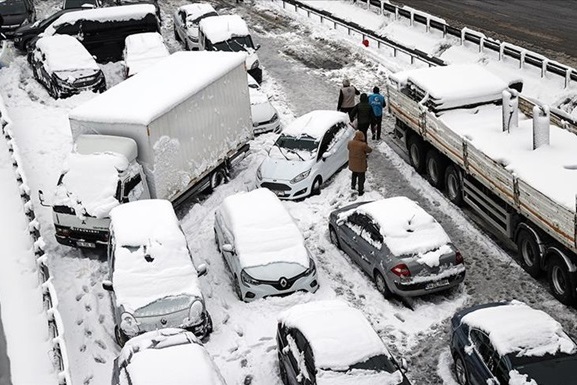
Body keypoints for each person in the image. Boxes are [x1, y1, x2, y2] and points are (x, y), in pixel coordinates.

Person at [347, 131, 372, 196]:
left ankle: (353, 186)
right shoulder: (363, 145)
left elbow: (348, 148)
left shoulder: (350, 143)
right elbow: (369, 150)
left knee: (354, 175)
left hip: (353, 163)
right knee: (361, 177)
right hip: (360, 164)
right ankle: (360, 191)